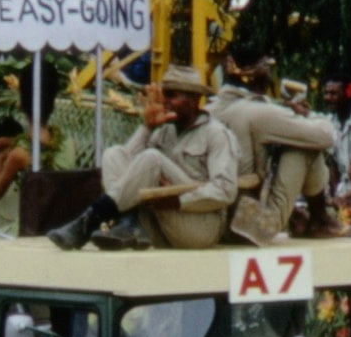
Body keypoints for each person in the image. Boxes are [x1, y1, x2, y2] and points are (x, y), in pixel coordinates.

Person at [49, 65, 240, 250]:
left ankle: (89, 221)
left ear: (193, 99)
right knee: (113, 154)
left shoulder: (216, 134)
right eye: (164, 94)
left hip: (198, 226)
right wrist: (147, 127)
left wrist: (178, 201)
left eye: (172, 96)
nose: (165, 101)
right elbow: (126, 165)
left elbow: (225, 190)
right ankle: (127, 222)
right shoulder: (165, 129)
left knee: (152, 158)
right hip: (160, 222)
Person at [211, 60, 341, 241]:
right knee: (306, 147)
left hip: (214, 223)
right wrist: (307, 115)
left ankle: (308, 217)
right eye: (267, 70)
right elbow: (326, 137)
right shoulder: (259, 112)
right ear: (255, 77)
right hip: (246, 228)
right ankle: (321, 221)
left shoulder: (208, 109)